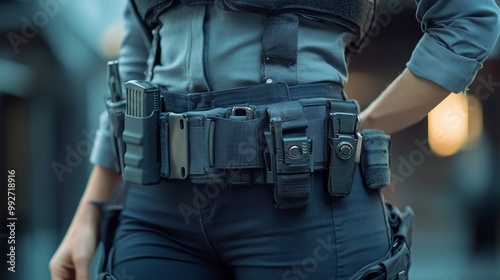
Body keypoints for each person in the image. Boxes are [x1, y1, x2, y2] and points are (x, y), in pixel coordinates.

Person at [50, 0, 500, 279]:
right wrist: (89, 211)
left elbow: (467, 17)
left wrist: (360, 125)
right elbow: (135, 60)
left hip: (302, 206)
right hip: (159, 216)